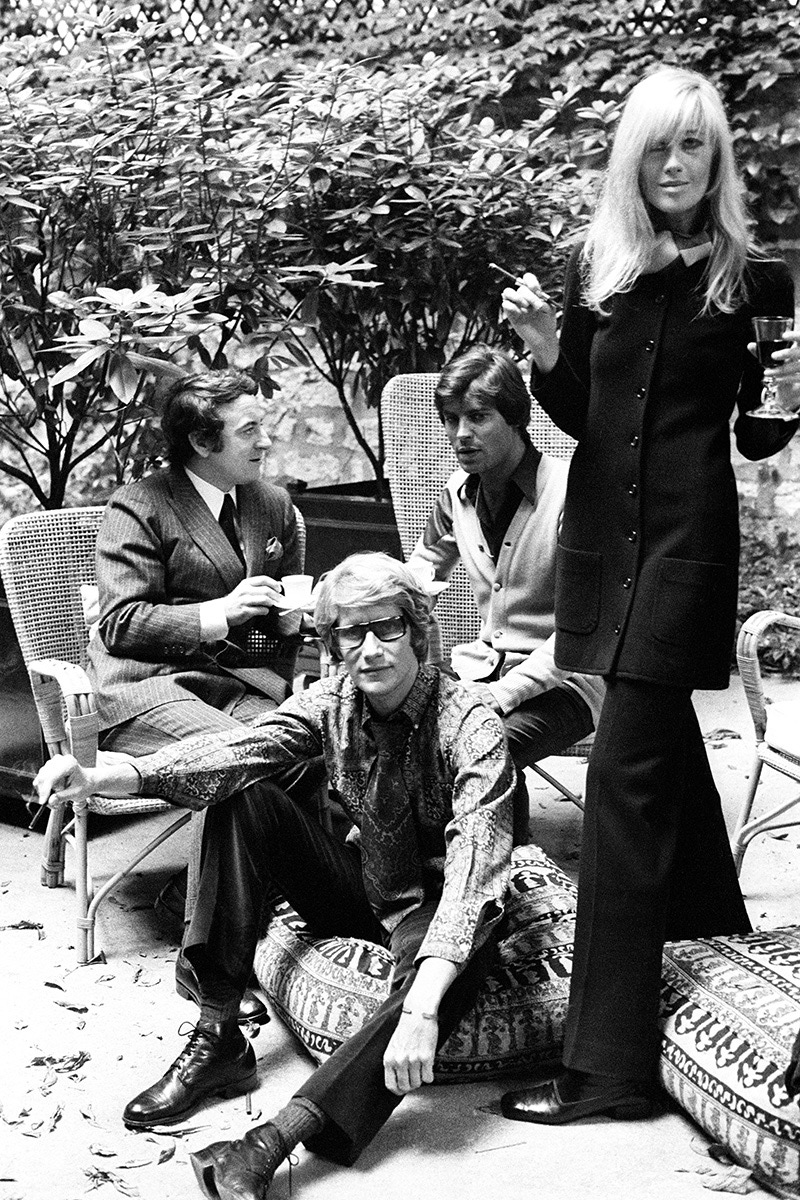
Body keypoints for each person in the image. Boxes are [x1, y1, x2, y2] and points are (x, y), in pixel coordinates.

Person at [498, 66, 800, 1125]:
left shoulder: (749, 278)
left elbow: (757, 429)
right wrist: (544, 354)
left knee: (622, 794)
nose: (676, 166)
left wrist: (790, 393)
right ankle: (712, 933)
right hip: (600, 546)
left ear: (714, 161)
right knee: (657, 751)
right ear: (631, 159)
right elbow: (584, 415)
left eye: (695, 149)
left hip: (681, 552)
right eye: (658, 149)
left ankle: (605, 1070)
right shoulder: (595, 266)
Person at [35, 553, 517, 1199]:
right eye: (352, 632)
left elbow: (473, 873)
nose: (371, 649)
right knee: (241, 790)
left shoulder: (471, 721)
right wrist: (101, 777)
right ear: (334, 641)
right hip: (364, 882)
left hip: (435, 900)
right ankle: (217, 1034)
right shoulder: (333, 702)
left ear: (418, 630)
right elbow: (232, 751)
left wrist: (425, 1006)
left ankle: (272, 1141)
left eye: (388, 628)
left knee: (459, 954)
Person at [88, 366, 317, 1024]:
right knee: (238, 759)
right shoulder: (141, 504)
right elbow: (120, 625)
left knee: (303, 745)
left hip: (232, 683)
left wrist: (288, 627)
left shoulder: (270, 505)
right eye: (250, 430)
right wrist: (219, 612)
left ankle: (229, 905)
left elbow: (264, 642)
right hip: (142, 687)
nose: (266, 439)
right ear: (201, 442)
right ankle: (209, 964)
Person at [407, 344, 604, 840]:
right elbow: (425, 568)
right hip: (481, 671)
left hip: (570, 684)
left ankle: (509, 881)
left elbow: (584, 631)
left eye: (478, 417)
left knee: (485, 747)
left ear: (516, 417)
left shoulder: (572, 495)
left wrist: (499, 695)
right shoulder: (458, 492)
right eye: (451, 419)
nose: (461, 435)